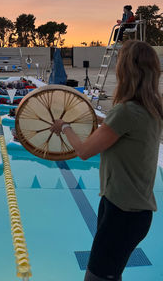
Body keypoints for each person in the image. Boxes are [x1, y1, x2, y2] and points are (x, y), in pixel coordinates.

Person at [51, 40, 163, 281]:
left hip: (122, 213)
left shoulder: (125, 111)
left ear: (125, 71)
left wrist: (65, 126)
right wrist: (96, 120)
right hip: (132, 210)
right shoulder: (152, 107)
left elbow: (83, 151)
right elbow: (121, 128)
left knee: (97, 277)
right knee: (110, 275)